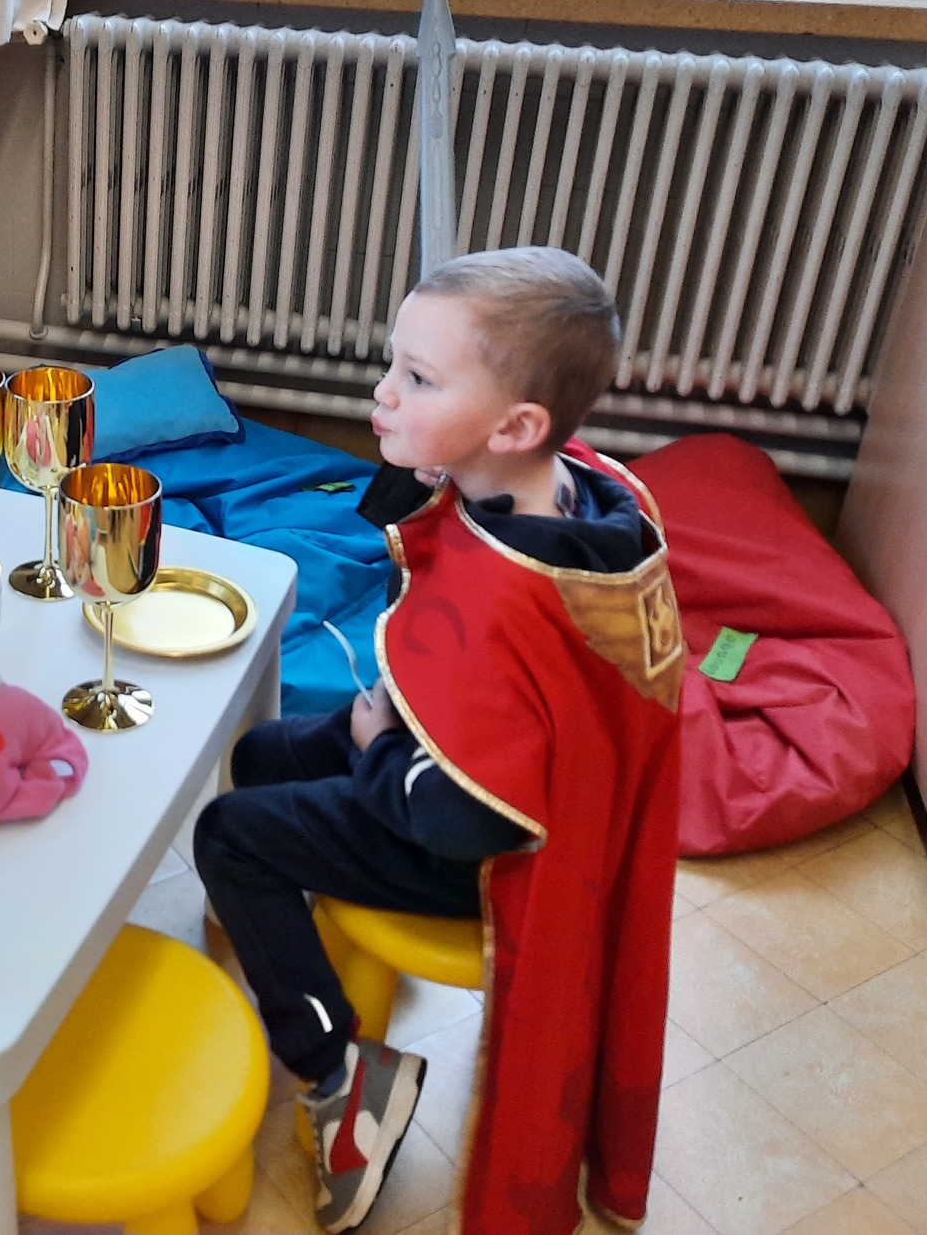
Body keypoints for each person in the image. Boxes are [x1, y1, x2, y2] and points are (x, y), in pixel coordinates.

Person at [193, 247, 683, 1234]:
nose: (381, 392)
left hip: (484, 847)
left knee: (228, 834)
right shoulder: (579, 488)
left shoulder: (510, 598)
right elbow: (426, 560)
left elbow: (465, 819)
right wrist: (431, 458)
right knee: (264, 755)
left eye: (416, 379)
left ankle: (341, 1078)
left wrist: (381, 743)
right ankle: (303, 940)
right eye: (393, 363)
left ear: (514, 425)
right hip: (457, 757)